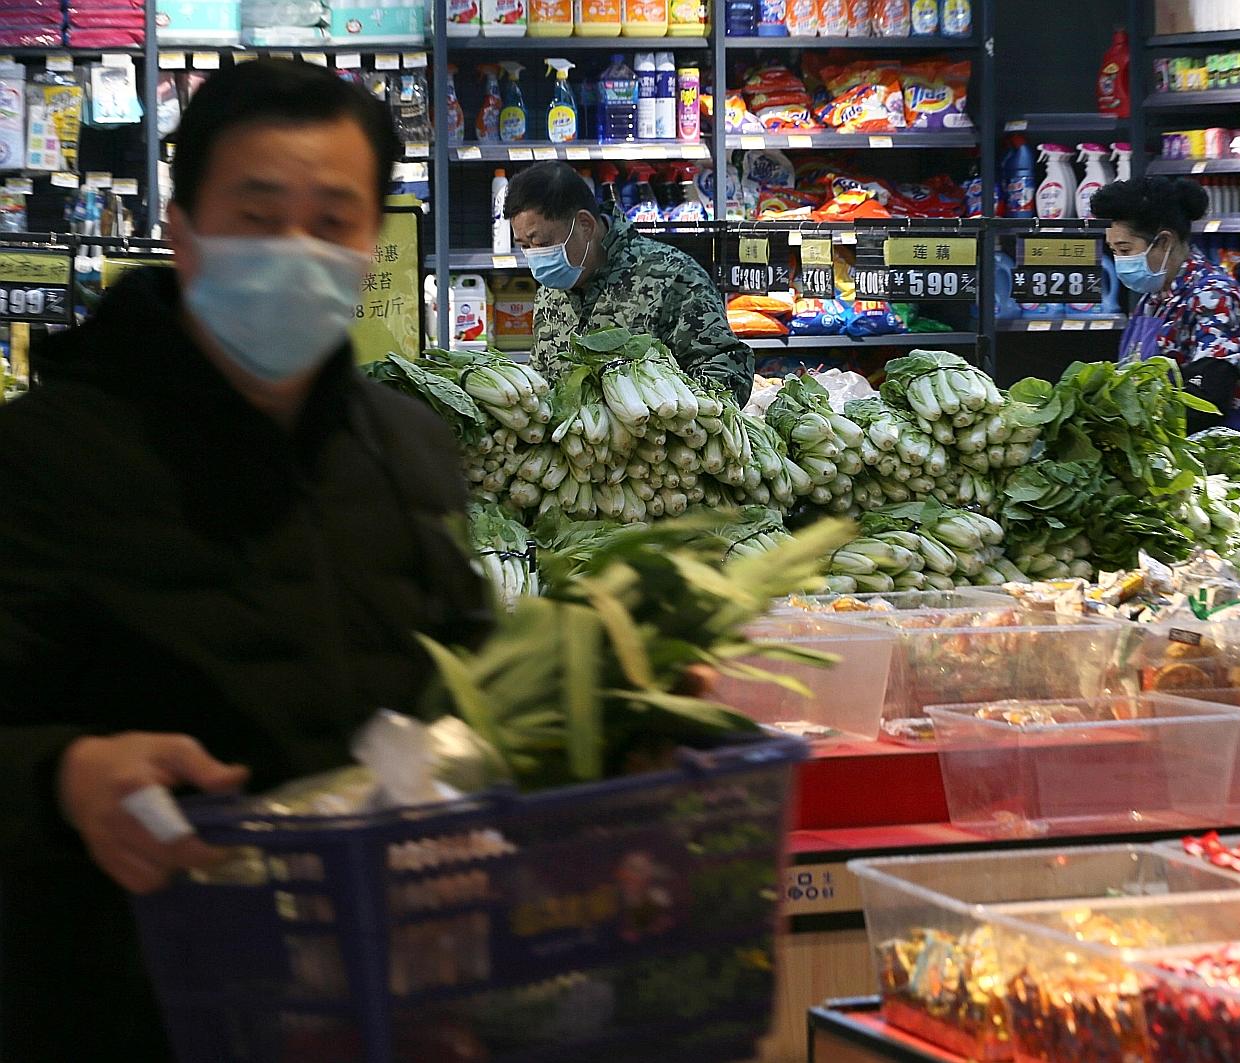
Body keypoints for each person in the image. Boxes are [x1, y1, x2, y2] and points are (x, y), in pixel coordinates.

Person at [0, 60, 487, 1060]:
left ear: (370, 245)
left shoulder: (412, 453)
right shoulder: (43, 457)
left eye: (333, 220)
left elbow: (472, 695)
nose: (296, 252)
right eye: (257, 217)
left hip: (381, 1013)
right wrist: (63, 774)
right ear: (183, 234)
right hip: (128, 1010)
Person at [507, 161, 754, 406]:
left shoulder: (673, 277)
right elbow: (542, 377)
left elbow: (726, 368)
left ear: (585, 225)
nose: (535, 256)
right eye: (524, 246)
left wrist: (674, 417)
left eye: (541, 243)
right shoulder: (549, 294)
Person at [1090, 176, 1240, 439]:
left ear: (1164, 242)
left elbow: (1209, 396)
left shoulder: (1213, 297)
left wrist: (1127, 422)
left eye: (1125, 249)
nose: (1119, 261)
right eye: (1114, 250)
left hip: (1215, 454)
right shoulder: (1155, 298)